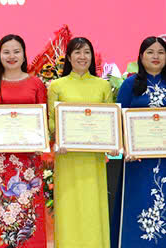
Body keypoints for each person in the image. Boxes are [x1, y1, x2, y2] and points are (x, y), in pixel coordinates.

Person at [0, 34, 47, 248]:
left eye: (16, 51)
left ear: (24, 55)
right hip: (1, 161)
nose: (11, 56)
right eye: (6, 52)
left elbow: (42, 118)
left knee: (29, 210)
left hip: (28, 160)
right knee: (3, 208)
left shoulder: (36, 83)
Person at [47, 37, 114, 248]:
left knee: (93, 205)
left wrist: (113, 142)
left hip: (93, 158)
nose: (82, 57)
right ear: (68, 57)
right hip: (67, 156)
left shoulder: (103, 86)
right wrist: (58, 136)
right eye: (77, 52)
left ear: (92, 56)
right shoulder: (57, 86)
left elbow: (109, 121)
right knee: (69, 205)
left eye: (86, 52)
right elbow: (51, 121)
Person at [115, 36, 166, 247]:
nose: (156, 56)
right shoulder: (130, 84)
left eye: (161, 52)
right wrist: (125, 147)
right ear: (141, 56)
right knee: (138, 205)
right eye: (150, 52)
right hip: (137, 161)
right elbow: (118, 121)